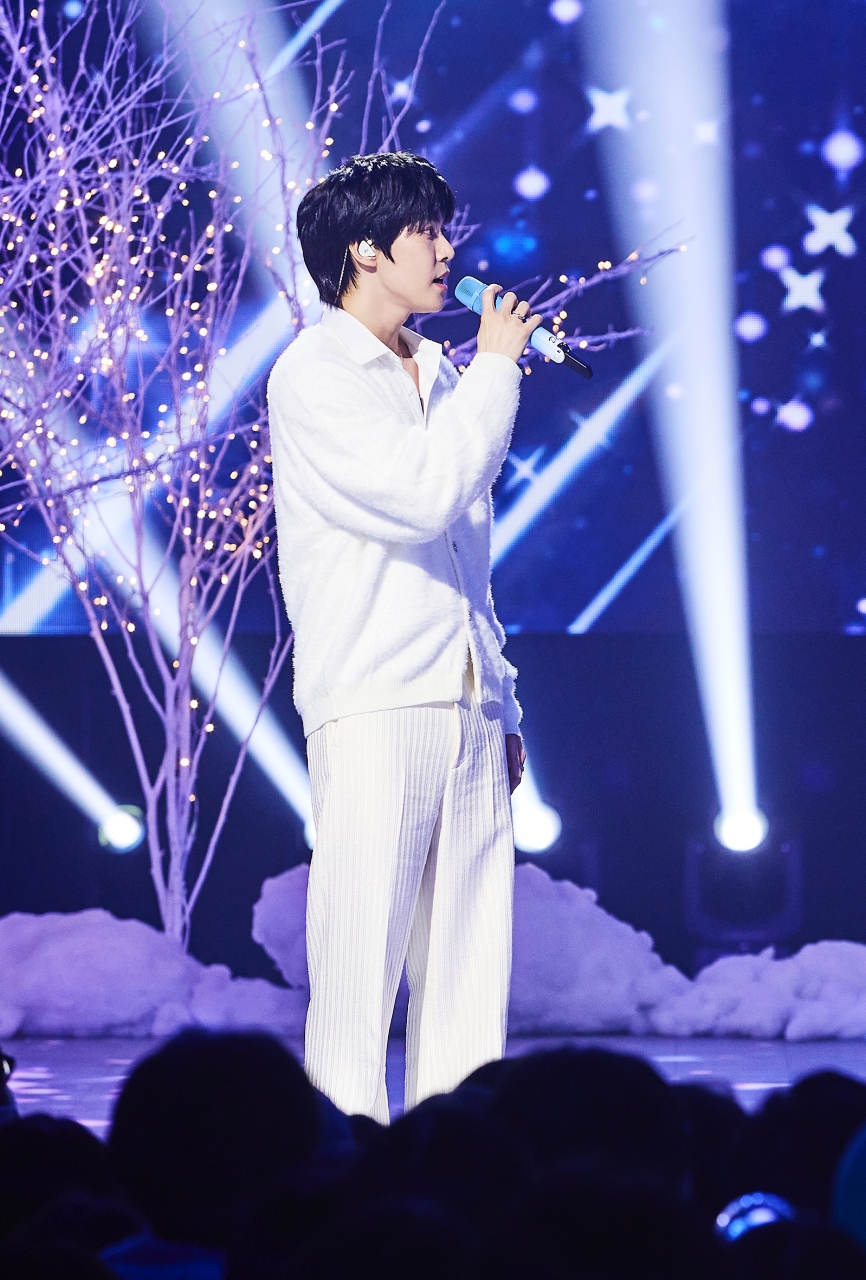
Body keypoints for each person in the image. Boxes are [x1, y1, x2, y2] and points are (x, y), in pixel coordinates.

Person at [269, 151, 545, 1120]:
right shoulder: (315, 373)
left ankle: (461, 1161)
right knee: (360, 966)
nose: (446, 250)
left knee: (470, 969)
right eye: (425, 231)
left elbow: (468, 565)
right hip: (378, 698)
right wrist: (500, 365)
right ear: (364, 251)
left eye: (442, 229)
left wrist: (502, 703)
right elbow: (422, 497)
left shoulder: (437, 368)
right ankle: (340, 1162)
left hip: (464, 699)